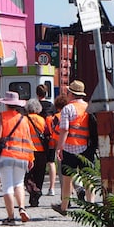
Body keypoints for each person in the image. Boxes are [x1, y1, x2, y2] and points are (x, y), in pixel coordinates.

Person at [52, 80, 97, 216]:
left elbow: (64, 130)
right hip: (86, 148)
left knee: (67, 180)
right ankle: (92, 206)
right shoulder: (89, 108)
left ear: (70, 93)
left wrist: (59, 148)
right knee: (88, 179)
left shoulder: (67, 109)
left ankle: (64, 207)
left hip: (69, 148)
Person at [0, 91, 35, 225]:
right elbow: (28, 139)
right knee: (19, 183)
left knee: (7, 186)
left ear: (6, 104)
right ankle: (22, 208)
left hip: (6, 155)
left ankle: (11, 218)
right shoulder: (24, 119)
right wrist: (31, 157)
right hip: (22, 156)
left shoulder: (2, 116)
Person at [23, 98, 48, 207]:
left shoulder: (24, 119)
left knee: (27, 177)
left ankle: (34, 191)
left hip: (28, 151)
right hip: (41, 152)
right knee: (39, 175)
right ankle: (36, 196)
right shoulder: (42, 120)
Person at [43, 94, 69, 197]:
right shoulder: (71, 115)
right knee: (71, 170)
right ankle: (75, 188)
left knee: (62, 171)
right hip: (71, 144)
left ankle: (64, 195)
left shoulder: (56, 118)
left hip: (59, 145)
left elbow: (54, 132)